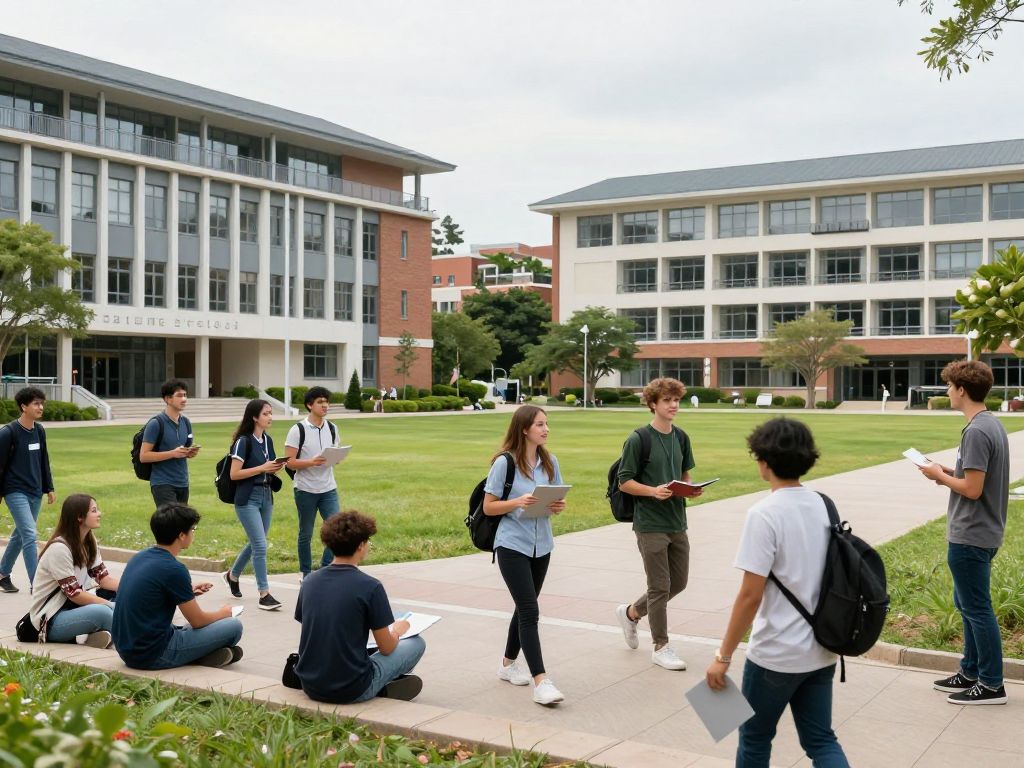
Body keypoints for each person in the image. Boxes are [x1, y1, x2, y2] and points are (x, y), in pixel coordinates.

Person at [705, 418, 849, 767]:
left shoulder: (764, 514)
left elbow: (750, 595)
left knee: (754, 739)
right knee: (820, 740)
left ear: (765, 462)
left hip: (776, 654)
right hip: (822, 649)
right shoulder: (824, 504)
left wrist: (722, 657)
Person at [919, 360, 1009, 705]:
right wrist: (943, 468)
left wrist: (937, 477)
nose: (946, 392)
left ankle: (990, 684)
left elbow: (972, 489)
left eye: (949, 386)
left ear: (961, 390)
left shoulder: (976, 431)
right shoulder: (990, 424)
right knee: (967, 603)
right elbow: (973, 477)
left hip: (971, 533)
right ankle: (970, 670)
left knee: (976, 607)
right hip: (983, 530)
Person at [483, 405, 567, 706]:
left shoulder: (550, 462)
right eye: (539, 424)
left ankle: (507, 665)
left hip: (542, 544)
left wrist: (557, 505)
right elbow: (488, 507)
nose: (545, 429)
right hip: (512, 545)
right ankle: (541, 681)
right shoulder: (504, 464)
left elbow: (555, 498)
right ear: (524, 429)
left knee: (523, 608)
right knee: (530, 610)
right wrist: (517, 501)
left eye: (546, 423)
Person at [293, 511, 425, 703]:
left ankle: (380, 684)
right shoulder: (370, 586)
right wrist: (397, 631)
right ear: (361, 545)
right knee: (416, 643)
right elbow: (387, 648)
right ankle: (379, 685)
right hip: (351, 687)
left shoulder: (310, 581)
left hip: (310, 685)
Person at [615, 377, 700, 671]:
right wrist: (653, 491)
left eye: (676, 400)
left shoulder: (682, 437)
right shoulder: (639, 439)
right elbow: (624, 482)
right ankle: (661, 646)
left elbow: (685, 474)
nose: (674, 405)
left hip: (677, 520)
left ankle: (631, 612)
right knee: (660, 585)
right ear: (653, 404)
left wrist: (691, 488)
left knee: (679, 582)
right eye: (667, 400)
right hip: (649, 523)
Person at [112, 503, 243, 669]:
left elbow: (154, 593)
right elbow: (197, 621)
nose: (193, 533)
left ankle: (204, 654)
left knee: (188, 629)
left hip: (126, 649)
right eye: (192, 529)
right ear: (182, 535)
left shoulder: (140, 557)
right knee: (233, 626)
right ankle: (199, 655)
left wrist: (187, 591)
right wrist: (224, 613)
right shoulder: (175, 569)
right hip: (152, 653)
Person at [29, 493, 120, 648]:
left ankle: (90, 636)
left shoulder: (89, 542)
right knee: (104, 612)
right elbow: (75, 595)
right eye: (94, 510)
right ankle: (142, 642)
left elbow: (105, 580)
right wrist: (110, 605)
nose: (99, 514)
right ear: (80, 517)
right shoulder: (59, 548)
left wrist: (136, 589)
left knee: (127, 598)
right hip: (50, 620)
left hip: (74, 609)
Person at [222, 399, 285, 611]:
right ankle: (264, 594)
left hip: (267, 495)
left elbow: (269, 466)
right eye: (266, 414)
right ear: (255, 417)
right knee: (260, 545)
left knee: (257, 542)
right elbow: (234, 473)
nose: (270, 417)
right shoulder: (243, 441)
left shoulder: (267, 440)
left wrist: (275, 467)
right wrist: (262, 468)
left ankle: (232, 575)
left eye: (270, 413)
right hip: (247, 497)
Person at [0, 386, 56, 593]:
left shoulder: (39, 430)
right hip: (15, 491)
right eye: (36, 403)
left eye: (42, 403)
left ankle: (2, 573)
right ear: (23, 406)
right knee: (30, 534)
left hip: (35, 491)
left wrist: (48, 487)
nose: (40, 407)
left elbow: (44, 460)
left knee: (20, 534)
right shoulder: (8, 432)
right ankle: (38, 585)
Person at [284, 387, 341, 581]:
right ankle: (306, 574)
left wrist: (336, 458)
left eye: (326, 401)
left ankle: (325, 570)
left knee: (338, 529)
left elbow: (334, 452)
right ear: (310, 405)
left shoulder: (332, 428)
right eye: (320, 402)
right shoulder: (297, 430)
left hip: (328, 488)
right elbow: (289, 462)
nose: (325, 405)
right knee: (306, 533)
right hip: (305, 489)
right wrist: (310, 462)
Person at [139, 380, 199, 506]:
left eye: (185, 395)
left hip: (183, 482)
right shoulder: (156, 423)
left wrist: (189, 453)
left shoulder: (186, 422)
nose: (184, 399)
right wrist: (172, 453)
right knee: (170, 523)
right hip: (162, 483)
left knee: (183, 523)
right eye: (179, 395)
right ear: (167, 399)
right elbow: (144, 456)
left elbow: (183, 450)